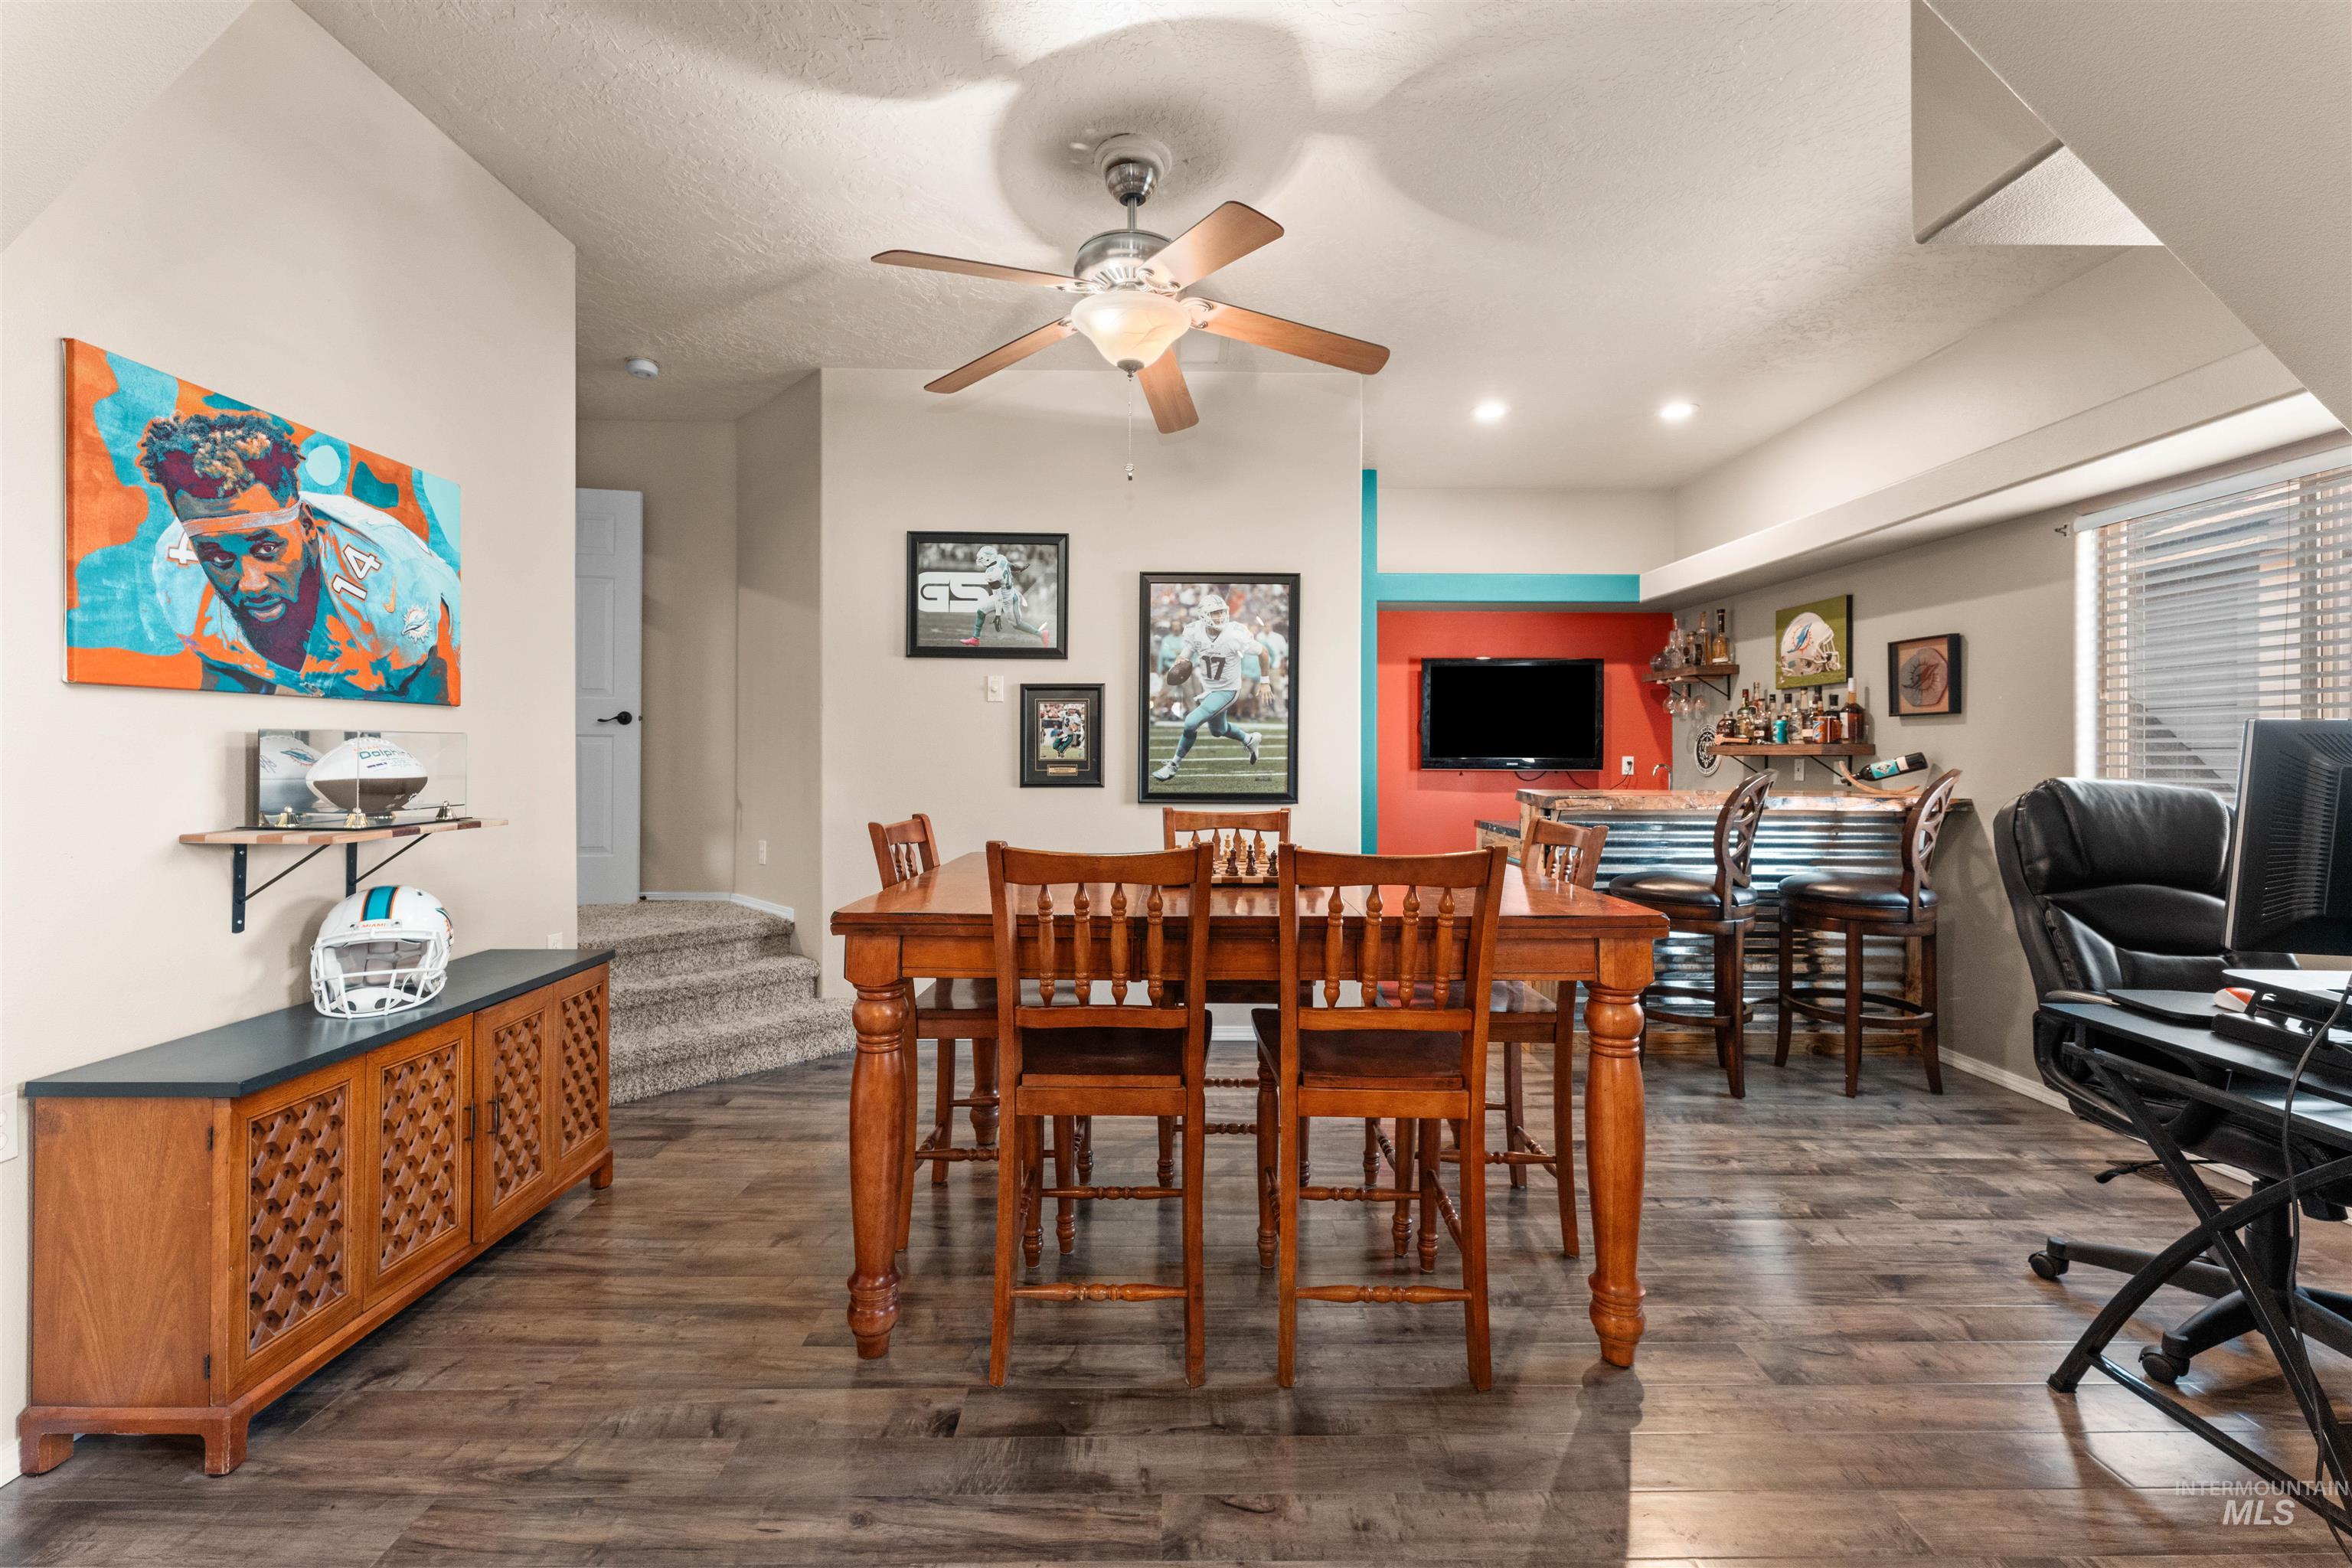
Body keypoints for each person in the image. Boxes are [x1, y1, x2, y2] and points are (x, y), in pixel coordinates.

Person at [142, 410, 459, 701]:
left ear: (307, 525)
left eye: (267, 549)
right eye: (220, 559)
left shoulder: (390, 586)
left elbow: (431, 704)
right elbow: (230, 675)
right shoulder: (181, 576)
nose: (251, 584)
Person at [1152, 596, 1264, 782]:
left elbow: (1263, 652)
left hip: (1228, 690)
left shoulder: (1235, 632)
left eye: (1221, 612)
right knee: (1218, 730)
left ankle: (1173, 765)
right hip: (1209, 688)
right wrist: (1180, 660)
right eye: (1214, 613)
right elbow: (1185, 654)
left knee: (1190, 722)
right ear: (1204, 615)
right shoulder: (1195, 631)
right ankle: (1249, 739)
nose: (1220, 617)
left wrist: (1265, 681)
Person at [961, 544, 1052, 648]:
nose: (980, 560)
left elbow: (999, 598)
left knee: (1017, 625)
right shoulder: (1001, 558)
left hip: (1009, 600)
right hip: (1004, 595)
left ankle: (1042, 634)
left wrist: (998, 616)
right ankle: (975, 639)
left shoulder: (992, 574)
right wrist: (1020, 568)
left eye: (982, 558)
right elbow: (1011, 566)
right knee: (981, 611)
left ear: (988, 559)